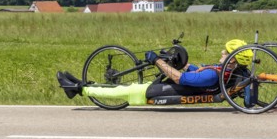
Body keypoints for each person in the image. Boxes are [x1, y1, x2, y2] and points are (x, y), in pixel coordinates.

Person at [57, 39, 252, 106]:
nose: (222, 52)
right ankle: (84, 85)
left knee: (126, 90)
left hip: (170, 90)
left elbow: (179, 77)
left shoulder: (214, 75)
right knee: (126, 88)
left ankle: (78, 89)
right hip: (176, 86)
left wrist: (156, 60)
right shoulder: (224, 72)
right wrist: (180, 61)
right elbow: (191, 70)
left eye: (226, 52)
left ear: (233, 59)